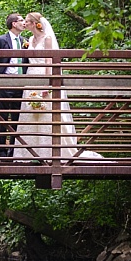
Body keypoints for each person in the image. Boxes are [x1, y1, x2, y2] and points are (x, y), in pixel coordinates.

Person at [12, 12, 104, 162]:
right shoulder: (29, 39)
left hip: (43, 77)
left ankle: (51, 151)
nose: (25, 24)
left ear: (36, 23)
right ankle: (30, 153)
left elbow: (49, 62)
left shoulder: (47, 39)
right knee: (31, 113)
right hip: (31, 78)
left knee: (48, 113)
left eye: (27, 21)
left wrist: (47, 85)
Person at [0, 12, 28, 157]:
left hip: (21, 83)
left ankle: (13, 150)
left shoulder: (25, 41)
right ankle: (1, 151)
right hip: (5, 82)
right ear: (13, 24)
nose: (24, 23)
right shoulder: (1, 40)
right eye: (21, 20)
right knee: (2, 117)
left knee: (18, 117)